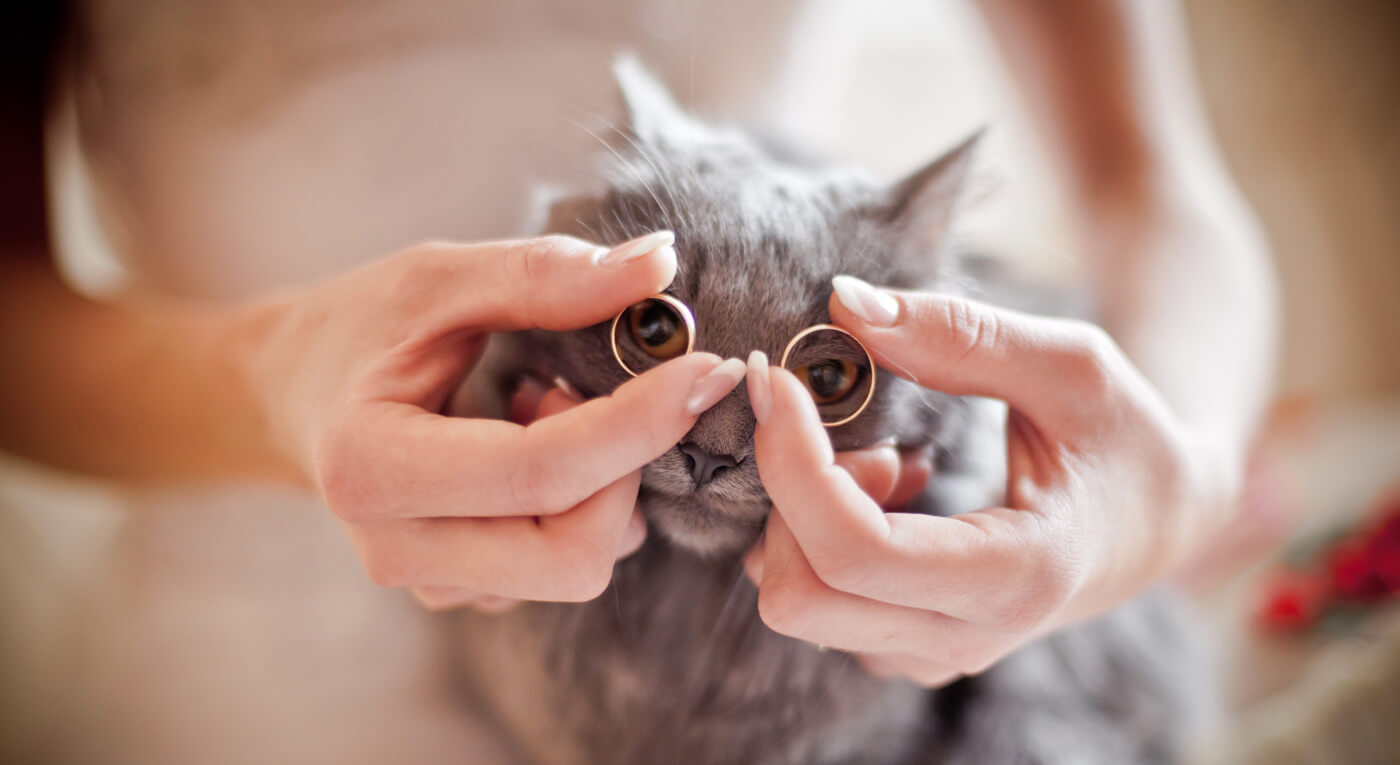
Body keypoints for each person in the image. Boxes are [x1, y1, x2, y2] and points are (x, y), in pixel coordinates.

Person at [0, 0, 1275, 698]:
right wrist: (271, 387)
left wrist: (1174, 477)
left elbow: (1152, 184)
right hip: (233, 680)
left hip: (790, 622)